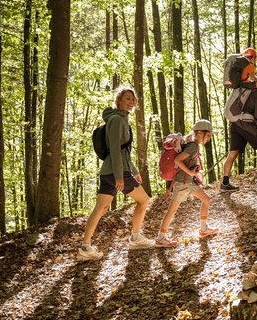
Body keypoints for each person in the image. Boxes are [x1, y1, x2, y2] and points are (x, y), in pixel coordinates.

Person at [78, 85, 156, 260]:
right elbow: (114, 148)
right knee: (144, 200)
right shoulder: (117, 120)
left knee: (101, 208)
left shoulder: (121, 119)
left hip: (110, 171)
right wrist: (120, 176)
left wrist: (134, 171)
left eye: (133, 99)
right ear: (119, 100)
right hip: (116, 171)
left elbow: (123, 150)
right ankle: (135, 238)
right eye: (127, 98)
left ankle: (85, 248)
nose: (131, 102)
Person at [156, 120, 219, 247]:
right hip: (183, 182)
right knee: (172, 210)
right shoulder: (193, 146)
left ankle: (203, 229)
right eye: (208, 134)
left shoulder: (192, 144)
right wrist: (190, 173)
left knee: (206, 199)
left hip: (189, 182)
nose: (209, 137)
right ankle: (160, 238)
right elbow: (177, 160)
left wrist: (194, 173)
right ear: (199, 133)